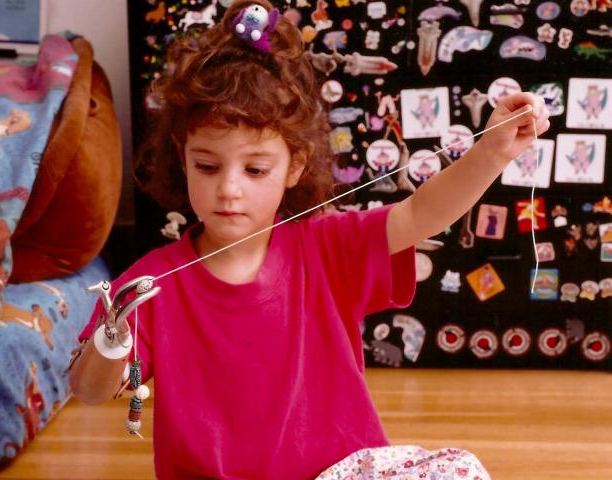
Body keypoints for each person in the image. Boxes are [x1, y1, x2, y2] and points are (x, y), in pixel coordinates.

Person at [70, 0, 550, 478]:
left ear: (294, 165)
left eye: (256, 168)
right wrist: (113, 344)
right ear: (182, 157)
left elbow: (421, 213)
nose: (229, 188)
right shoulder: (151, 285)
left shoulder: (326, 246)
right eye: (207, 166)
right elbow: (90, 390)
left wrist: (491, 152)